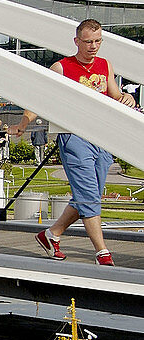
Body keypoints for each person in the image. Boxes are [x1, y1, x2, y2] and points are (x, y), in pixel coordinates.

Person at [8, 19, 136, 266]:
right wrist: (23, 124)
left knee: (89, 194)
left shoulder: (104, 65)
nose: (93, 46)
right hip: (73, 136)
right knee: (89, 195)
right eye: (88, 42)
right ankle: (102, 252)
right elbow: (41, 101)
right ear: (76, 41)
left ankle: (51, 234)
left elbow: (115, 95)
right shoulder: (62, 68)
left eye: (98, 41)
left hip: (102, 137)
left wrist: (126, 97)